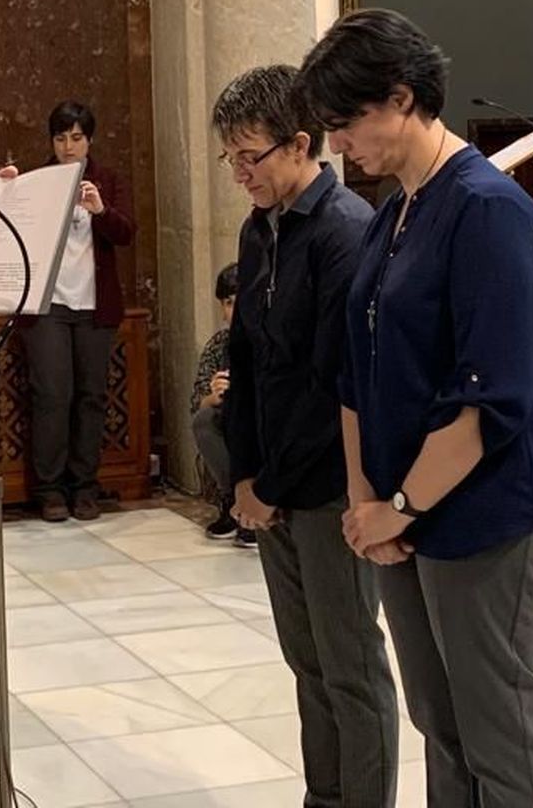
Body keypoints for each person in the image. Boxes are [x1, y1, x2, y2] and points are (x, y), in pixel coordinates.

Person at [301, 8, 533, 808]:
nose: (340, 145)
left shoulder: (486, 210)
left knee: (496, 728)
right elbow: (357, 368)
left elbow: (489, 399)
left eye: (347, 122)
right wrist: (364, 499)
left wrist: (398, 506)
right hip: (403, 511)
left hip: (489, 508)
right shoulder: (398, 209)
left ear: (402, 97)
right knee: (440, 722)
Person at [213, 65, 398, 808]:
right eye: (229, 158)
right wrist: (243, 478)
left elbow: (335, 387)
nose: (239, 174)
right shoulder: (258, 231)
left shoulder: (345, 231)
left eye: (248, 157)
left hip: (331, 486)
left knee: (351, 666)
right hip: (275, 484)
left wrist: (275, 487)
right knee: (307, 663)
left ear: (299, 144)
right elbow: (250, 362)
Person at [22, 100, 135, 522]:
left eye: (76, 138)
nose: (68, 147)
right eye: (60, 138)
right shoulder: (39, 181)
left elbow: (126, 233)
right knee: (52, 396)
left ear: (89, 140)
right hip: (48, 305)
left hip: (94, 306)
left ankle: (84, 487)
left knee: (92, 397)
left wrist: (101, 211)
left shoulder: (106, 181)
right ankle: (49, 489)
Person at [191, 262, 255, 546]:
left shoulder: (270, 338)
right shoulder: (219, 345)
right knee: (204, 421)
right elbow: (196, 403)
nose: (235, 310)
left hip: (264, 424)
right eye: (228, 303)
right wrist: (212, 397)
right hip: (229, 422)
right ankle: (233, 504)